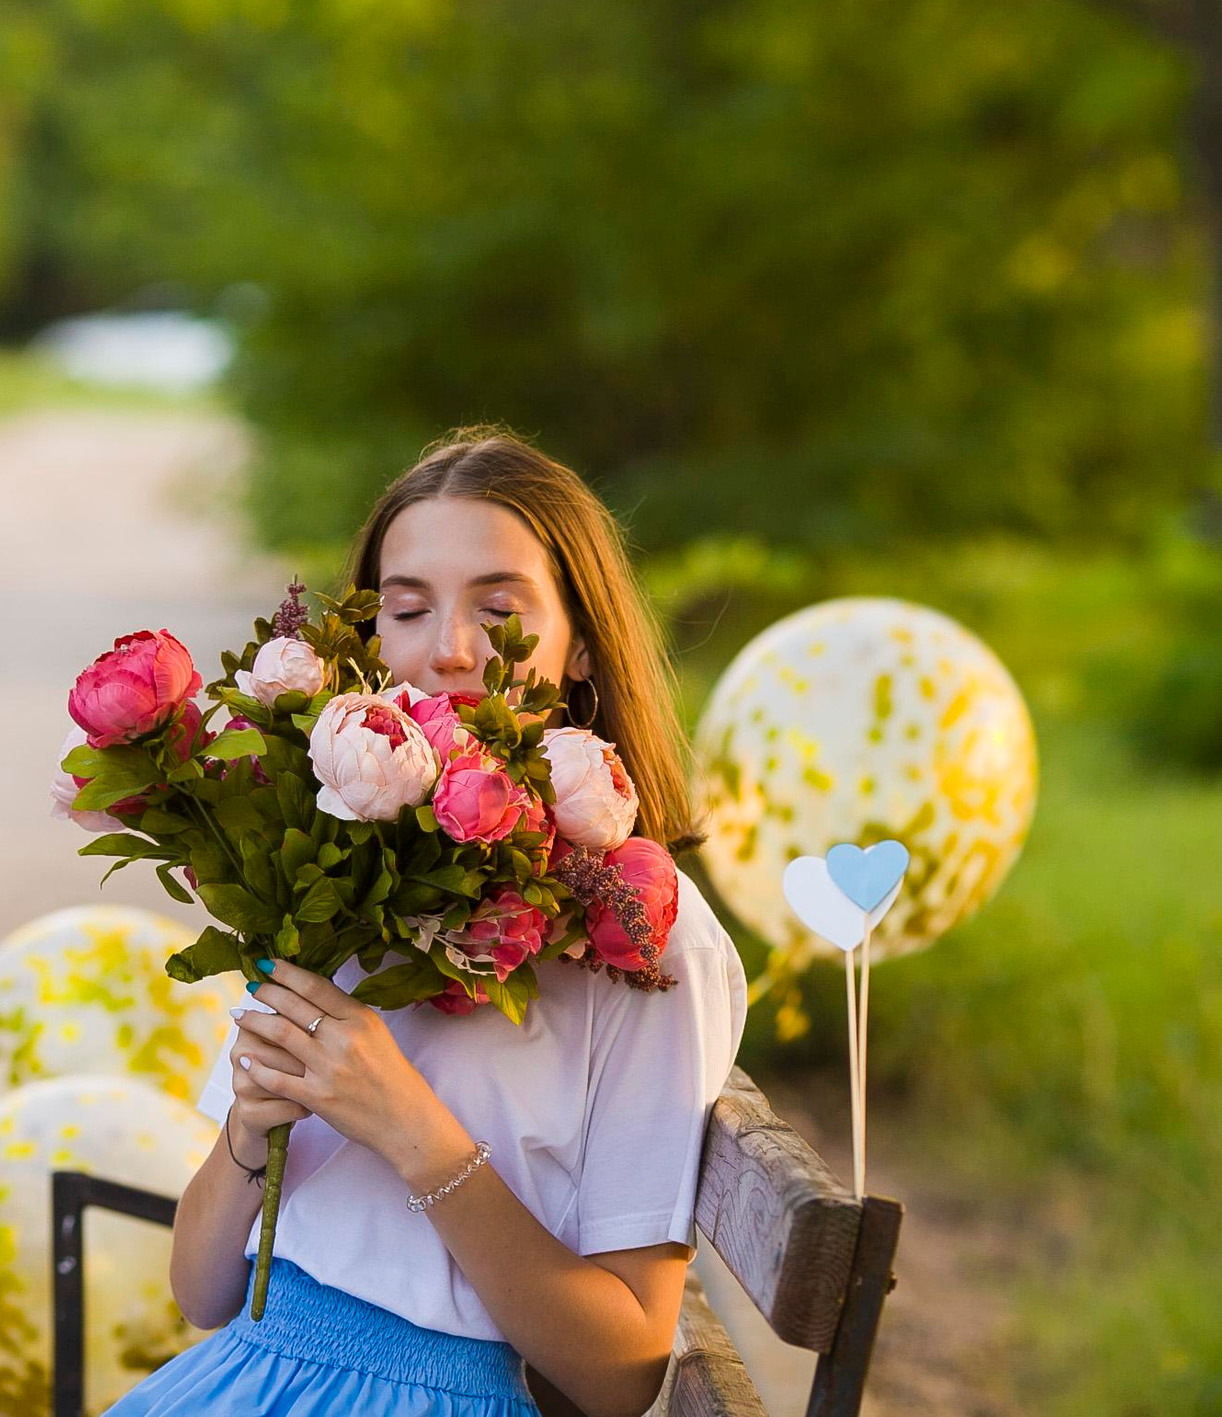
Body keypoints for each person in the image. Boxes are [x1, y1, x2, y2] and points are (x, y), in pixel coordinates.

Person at [106, 426, 749, 1417]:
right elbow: (201, 1294)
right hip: (246, 1376)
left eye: (498, 609)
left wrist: (414, 1132)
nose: (447, 648)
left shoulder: (648, 940)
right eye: (406, 609)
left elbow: (622, 1374)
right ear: (366, 644)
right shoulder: (331, 865)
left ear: (580, 641)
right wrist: (249, 1122)